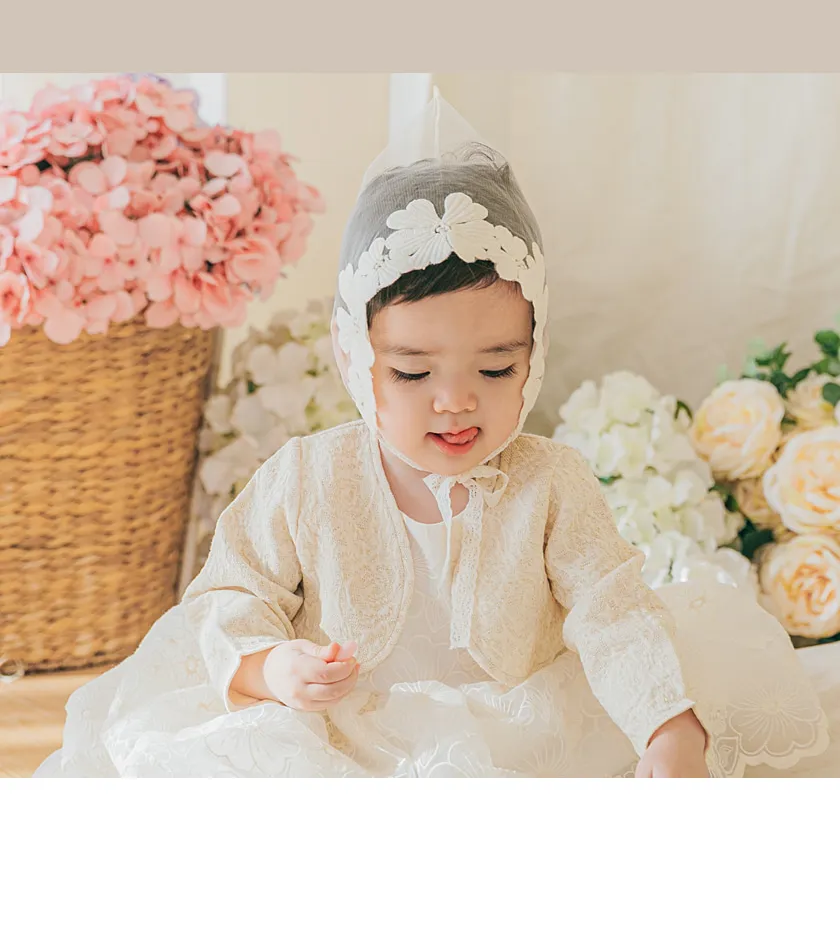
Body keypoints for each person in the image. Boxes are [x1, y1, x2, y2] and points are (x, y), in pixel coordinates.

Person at [43, 97, 828, 779]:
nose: (455, 401)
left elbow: (611, 607)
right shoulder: (308, 477)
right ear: (355, 360)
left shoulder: (551, 482)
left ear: (534, 352)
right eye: (413, 373)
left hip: (521, 729)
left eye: (496, 367)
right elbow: (230, 592)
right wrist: (271, 666)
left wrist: (665, 723)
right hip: (344, 740)